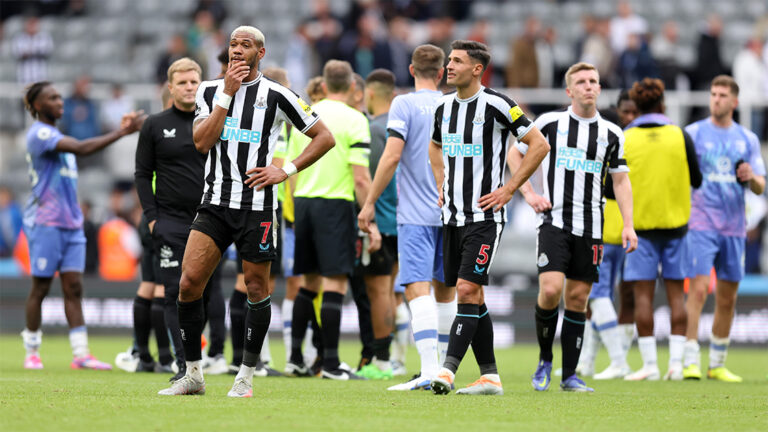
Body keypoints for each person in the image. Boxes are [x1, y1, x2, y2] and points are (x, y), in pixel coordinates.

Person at [158, 26, 334, 397]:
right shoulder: (208, 91)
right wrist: (227, 95)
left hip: (259, 208)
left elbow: (324, 137)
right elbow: (202, 142)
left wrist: (285, 170)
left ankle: (246, 376)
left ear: (261, 53)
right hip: (215, 204)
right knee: (189, 283)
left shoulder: (278, 94)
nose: (238, 50)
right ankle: (193, 374)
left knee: (256, 287)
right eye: (234, 44)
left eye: (246, 45)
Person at [428, 40, 550, 395]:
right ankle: (490, 377)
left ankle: (447, 370)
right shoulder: (444, 107)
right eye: (449, 60)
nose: (449, 66)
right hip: (451, 217)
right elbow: (435, 146)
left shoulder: (498, 104)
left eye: (457, 61)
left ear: (477, 69)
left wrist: (510, 189)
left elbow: (539, 145)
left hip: (485, 217)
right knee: (473, 296)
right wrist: (441, 181)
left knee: (466, 290)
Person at [513, 63, 637, 392]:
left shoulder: (612, 133)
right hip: (554, 222)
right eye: (581, 82)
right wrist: (527, 192)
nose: (588, 86)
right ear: (569, 91)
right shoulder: (550, 123)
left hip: (592, 227)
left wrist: (629, 225)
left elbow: (621, 182)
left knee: (579, 299)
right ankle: (544, 360)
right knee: (551, 290)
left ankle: (569, 375)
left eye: (593, 81)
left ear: (599, 88)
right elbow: (516, 153)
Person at [20, 81, 143, 370]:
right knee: (40, 286)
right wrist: (122, 132)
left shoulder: (56, 135)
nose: (60, 102)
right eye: (52, 98)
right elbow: (83, 148)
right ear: (37, 106)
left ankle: (81, 354)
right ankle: (32, 351)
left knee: (74, 286)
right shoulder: (40, 133)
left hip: (71, 224)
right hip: (46, 222)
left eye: (60, 97)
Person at [358, 44, 454, 391]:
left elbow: (391, 156)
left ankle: (429, 371)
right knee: (446, 292)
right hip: (453, 212)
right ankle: (444, 369)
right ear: (442, 72)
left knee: (416, 289)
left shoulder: (404, 104)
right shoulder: (454, 104)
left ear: (411, 71)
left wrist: (369, 202)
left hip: (415, 214)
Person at [285, 59, 378, 381]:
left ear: (323, 85)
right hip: (335, 205)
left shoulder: (307, 115)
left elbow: (291, 169)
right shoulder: (355, 119)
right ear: (353, 87)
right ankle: (332, 363)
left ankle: (295, 358)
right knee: (335, 283)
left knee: (307, 284)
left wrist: (296, 208)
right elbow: (362, 178)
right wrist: (370, 217)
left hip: (304, 204)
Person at [682, 75, 766, 382]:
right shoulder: (692, 133)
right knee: (699, 289)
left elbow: (760, 186)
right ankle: (689, 359)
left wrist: (751, 178)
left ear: (735, 102)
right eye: (713, 94)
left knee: (728, 297)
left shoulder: (747, 139)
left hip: (734, 227)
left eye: (722, 95)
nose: (716, 99)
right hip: (701, 223)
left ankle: (716, 363)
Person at [622, 78, 702, 381]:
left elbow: (612, 188)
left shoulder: (626, 137)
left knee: (642, 299)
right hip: (676, 228)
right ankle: (677, 366)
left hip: (639, 230)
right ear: (662, 103)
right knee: (676, 299)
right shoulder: (680, 135)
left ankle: (650, 367)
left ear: (636, 106)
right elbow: (697, 180)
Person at [577, 89, 639, 379]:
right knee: (597, 297)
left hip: (609, 227)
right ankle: (587, 361)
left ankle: (618, 360)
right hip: (617, 226)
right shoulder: (620, 141)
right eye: (625, 112)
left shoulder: (610, 140)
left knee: (601, 294)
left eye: (633, 112)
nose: (629, 118)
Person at [354, 69, 399, 380]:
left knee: (379, 291)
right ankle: (392, 356)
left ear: (369, 95)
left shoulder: (371, 130)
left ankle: (381, 360)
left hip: (379, 220)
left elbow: (366, 179)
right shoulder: (402, 128)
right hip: (405, 220)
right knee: (392, 291)